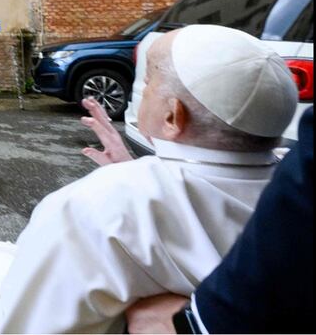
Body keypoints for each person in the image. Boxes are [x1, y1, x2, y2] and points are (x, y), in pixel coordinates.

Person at [0, 24, 299, 334]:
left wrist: (128, 179)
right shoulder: (295, 191)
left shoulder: (95, 205)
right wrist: (132, 170)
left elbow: (24, 323)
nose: (143, 90)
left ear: (173, 116)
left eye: (149, 81)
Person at [124, 106, 313, 334]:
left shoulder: (106, 199)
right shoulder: (278, 171)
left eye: (149, 82)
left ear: (173, 115)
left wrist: (201, 320)